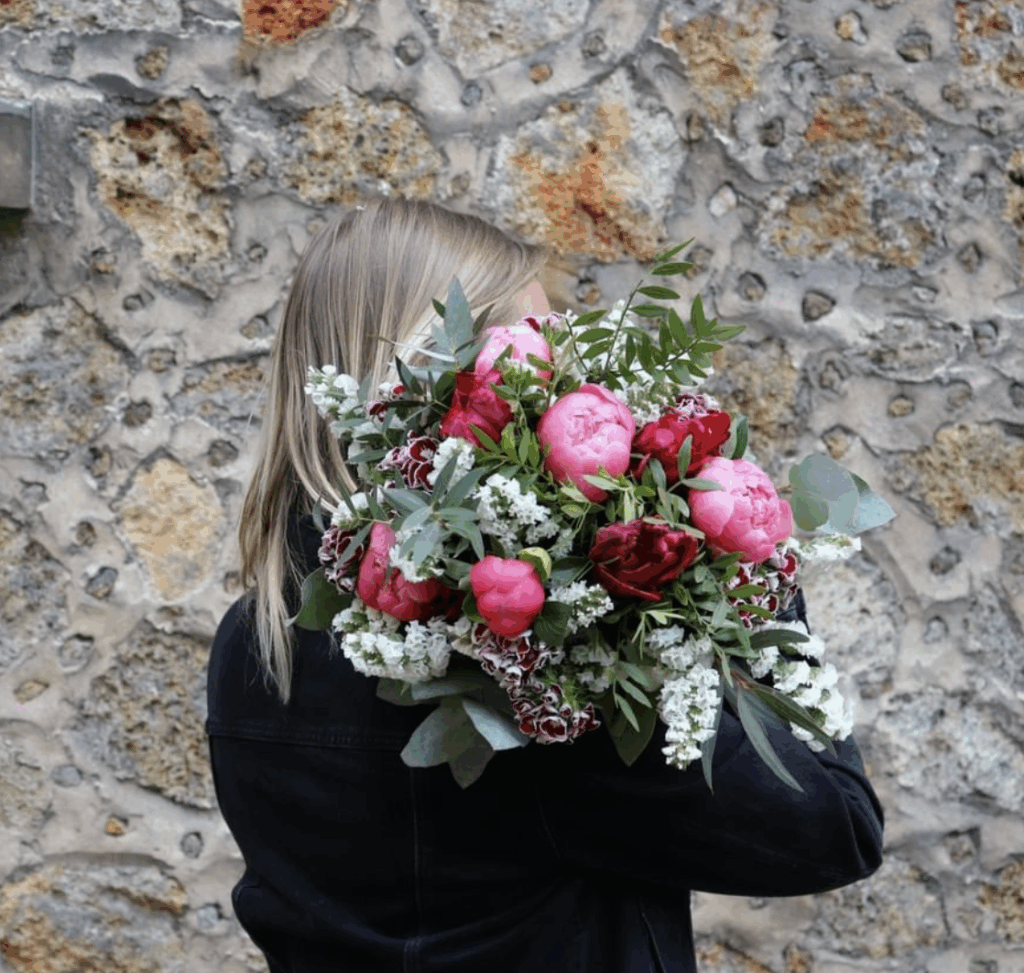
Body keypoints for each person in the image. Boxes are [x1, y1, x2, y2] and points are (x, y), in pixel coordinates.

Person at [205, 196, 885, 973]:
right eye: (534, 353)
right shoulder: (535, 670)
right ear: (442, 385)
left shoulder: (250, 641)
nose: (565, 378)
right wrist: (754, 565)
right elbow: (836, 825)